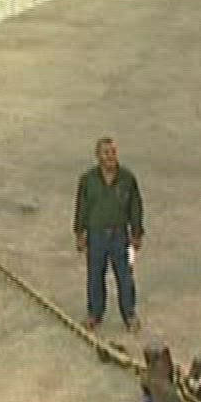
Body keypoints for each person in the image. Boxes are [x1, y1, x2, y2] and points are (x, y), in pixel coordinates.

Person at [73, 137, 144, 333]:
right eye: (106, 152)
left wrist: (137, 233)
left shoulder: (127, 179)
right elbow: (82, 207)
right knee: (95, 276)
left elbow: (135, 207)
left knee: (125, 277)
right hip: (96, 237)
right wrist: (79, 233)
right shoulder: (88, 180)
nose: (110, 156)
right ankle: (94, 314)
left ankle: (129, 315)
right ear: (98, 156)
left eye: (113, 152)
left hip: (120, 237)